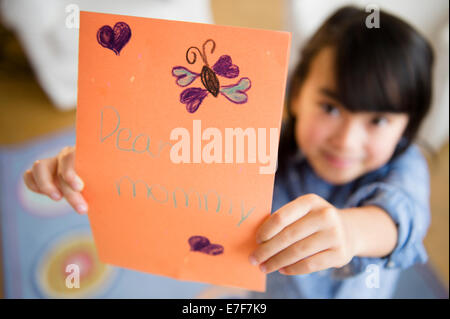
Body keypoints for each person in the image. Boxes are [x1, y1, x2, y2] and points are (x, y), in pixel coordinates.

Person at [23, 6, 434, 298]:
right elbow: (172, 158)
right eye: (329, 107)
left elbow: (401, 218)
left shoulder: (405, 165)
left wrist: (352, 231)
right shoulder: (255, 141)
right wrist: (95, 162)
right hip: (267, 285)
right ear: (295, 96)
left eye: (377, 121)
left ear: (407, 127)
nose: (346, 140)